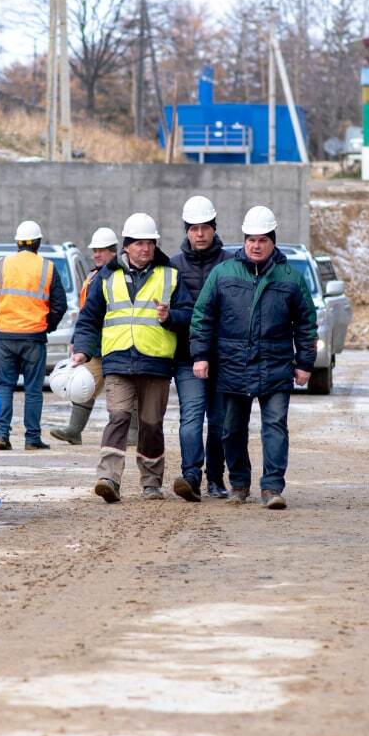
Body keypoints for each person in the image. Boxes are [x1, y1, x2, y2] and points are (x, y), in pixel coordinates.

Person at [189, 206, 316, 510]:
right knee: (231, 428)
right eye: (251, 240)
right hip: (233, 365)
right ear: (244, 241)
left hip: (275, 365)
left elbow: (307, 323)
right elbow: (202, 316)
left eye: (262, 240)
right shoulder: (223, 274)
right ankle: (239, 483)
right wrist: (201, 356)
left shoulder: (290, 278)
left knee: (274, 425)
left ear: (274, 241)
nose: (256, 245)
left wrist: (304, 363)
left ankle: (272, 487)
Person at [72, 212, 192, 503]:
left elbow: (189, 314)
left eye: (150, 243)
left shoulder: (170, 275)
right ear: (126, 245)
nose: (145, 249)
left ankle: (151, 483)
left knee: (151, 424)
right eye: (139, 243)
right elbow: (89, 318)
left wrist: (170, 316)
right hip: (118, 360)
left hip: (156, 362)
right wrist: (83, 350)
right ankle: (108, 478)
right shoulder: (107, 277)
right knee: (119, 417)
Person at [0, 220, 68, 451]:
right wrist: (47, 326)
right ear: (38, 243)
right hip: (34, 337)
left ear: (17, 243)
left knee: (4, 386)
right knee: (32, 389)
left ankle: (1, 434)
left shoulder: (0, 265)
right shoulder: (47, 267)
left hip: (6, 336)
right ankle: (32, 439)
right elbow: (60, 304)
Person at [169, 195, 230, 503]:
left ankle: (216, 478)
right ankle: (190, 475)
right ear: (187, 231)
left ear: (214, 228)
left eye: (205, 227)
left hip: (223, 358)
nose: (200, 234)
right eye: (194, 228)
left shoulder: (231, 264)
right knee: (191, 418)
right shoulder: (172, 266)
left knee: (219, 421)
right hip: (186, 358)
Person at [50, 227, 118, 445]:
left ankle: (133, 435)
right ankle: (74, 430)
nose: (96, 254)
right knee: (84, 383)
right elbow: (86, 314)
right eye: (95, 250)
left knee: (127, 389)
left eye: (102, 250)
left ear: (113, 252)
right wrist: (77, 341)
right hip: (95, 345)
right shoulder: (94, 276)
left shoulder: (118, 277)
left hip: (117, 343)